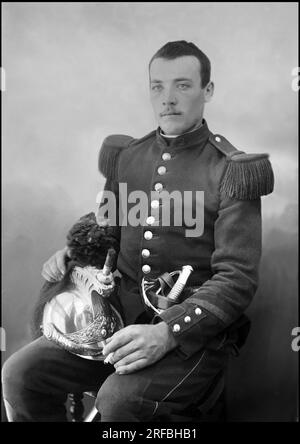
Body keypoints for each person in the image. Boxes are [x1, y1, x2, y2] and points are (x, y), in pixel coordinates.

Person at [2, 40, 274, 422]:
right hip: (116, 322)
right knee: (20, 375)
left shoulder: (232, 169)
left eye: (182, 85)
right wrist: (76, 254)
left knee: (117, 403)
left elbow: (237, 279)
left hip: (191, 338)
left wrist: (168, 331)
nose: (167, 98)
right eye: (157, 86)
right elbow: (109, 232)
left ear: (207, 91)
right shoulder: (128, 156)